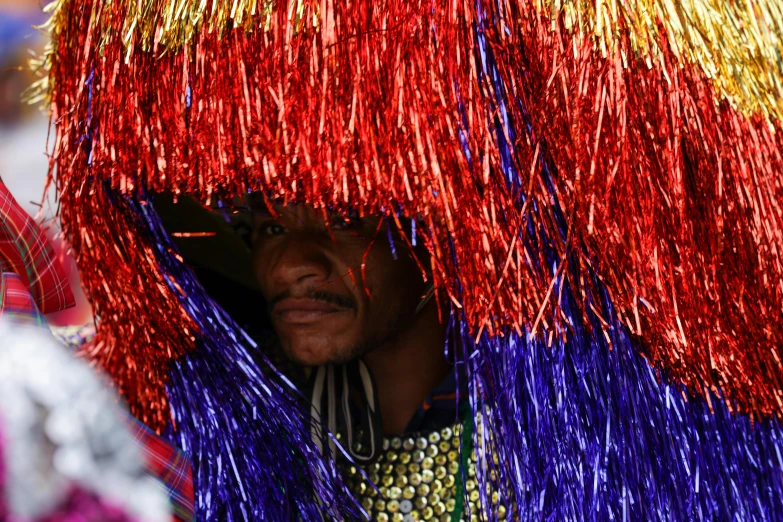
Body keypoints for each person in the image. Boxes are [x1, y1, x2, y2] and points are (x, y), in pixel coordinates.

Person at [39, 0, 783, 520]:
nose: (289, 265)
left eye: (338, 223)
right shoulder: (244, 447)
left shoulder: (578, 457)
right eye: (263, 228)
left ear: (434, 238)